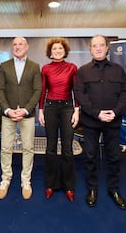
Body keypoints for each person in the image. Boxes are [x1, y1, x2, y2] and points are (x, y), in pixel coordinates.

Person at [74, 35, 126, 210]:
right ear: (90, 49)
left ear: (107, 48)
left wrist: (115, 112)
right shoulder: (83, 71)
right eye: (94, 46)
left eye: (101, 45)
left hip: (113, 121)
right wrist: (97, 113)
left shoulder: (119, 70)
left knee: (113, 157)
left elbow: (125, 93)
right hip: (91, 122)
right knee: (90, 156)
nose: (98, 48)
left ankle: (114, 189)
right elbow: (80, 95)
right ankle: (92, 189)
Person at [0, 36, 41, 200]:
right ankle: (5, 179)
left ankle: (25, 180)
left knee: (28, 148)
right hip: (8, 115)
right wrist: (8, 110)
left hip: (27, 115)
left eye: (20, 44)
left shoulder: (35, 67)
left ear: (27, 46)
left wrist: (25, 110)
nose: (17, 46)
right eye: (14, 44)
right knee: (6, 147)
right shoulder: (4, 66)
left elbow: (38, 90)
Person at [38, 37, 79, 202]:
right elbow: (43, 91)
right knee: (51, 147)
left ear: (65, 51)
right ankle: (50, 184)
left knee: (67, 148)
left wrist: (77, 110)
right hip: (50, 108)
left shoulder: (72, 68)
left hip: (68, 108)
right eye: (54, 49)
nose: (57, 51)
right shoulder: (46, 69)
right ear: (50, 52)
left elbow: (76, 90)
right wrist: (40, 110)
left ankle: (68, 186)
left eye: (60, 49)